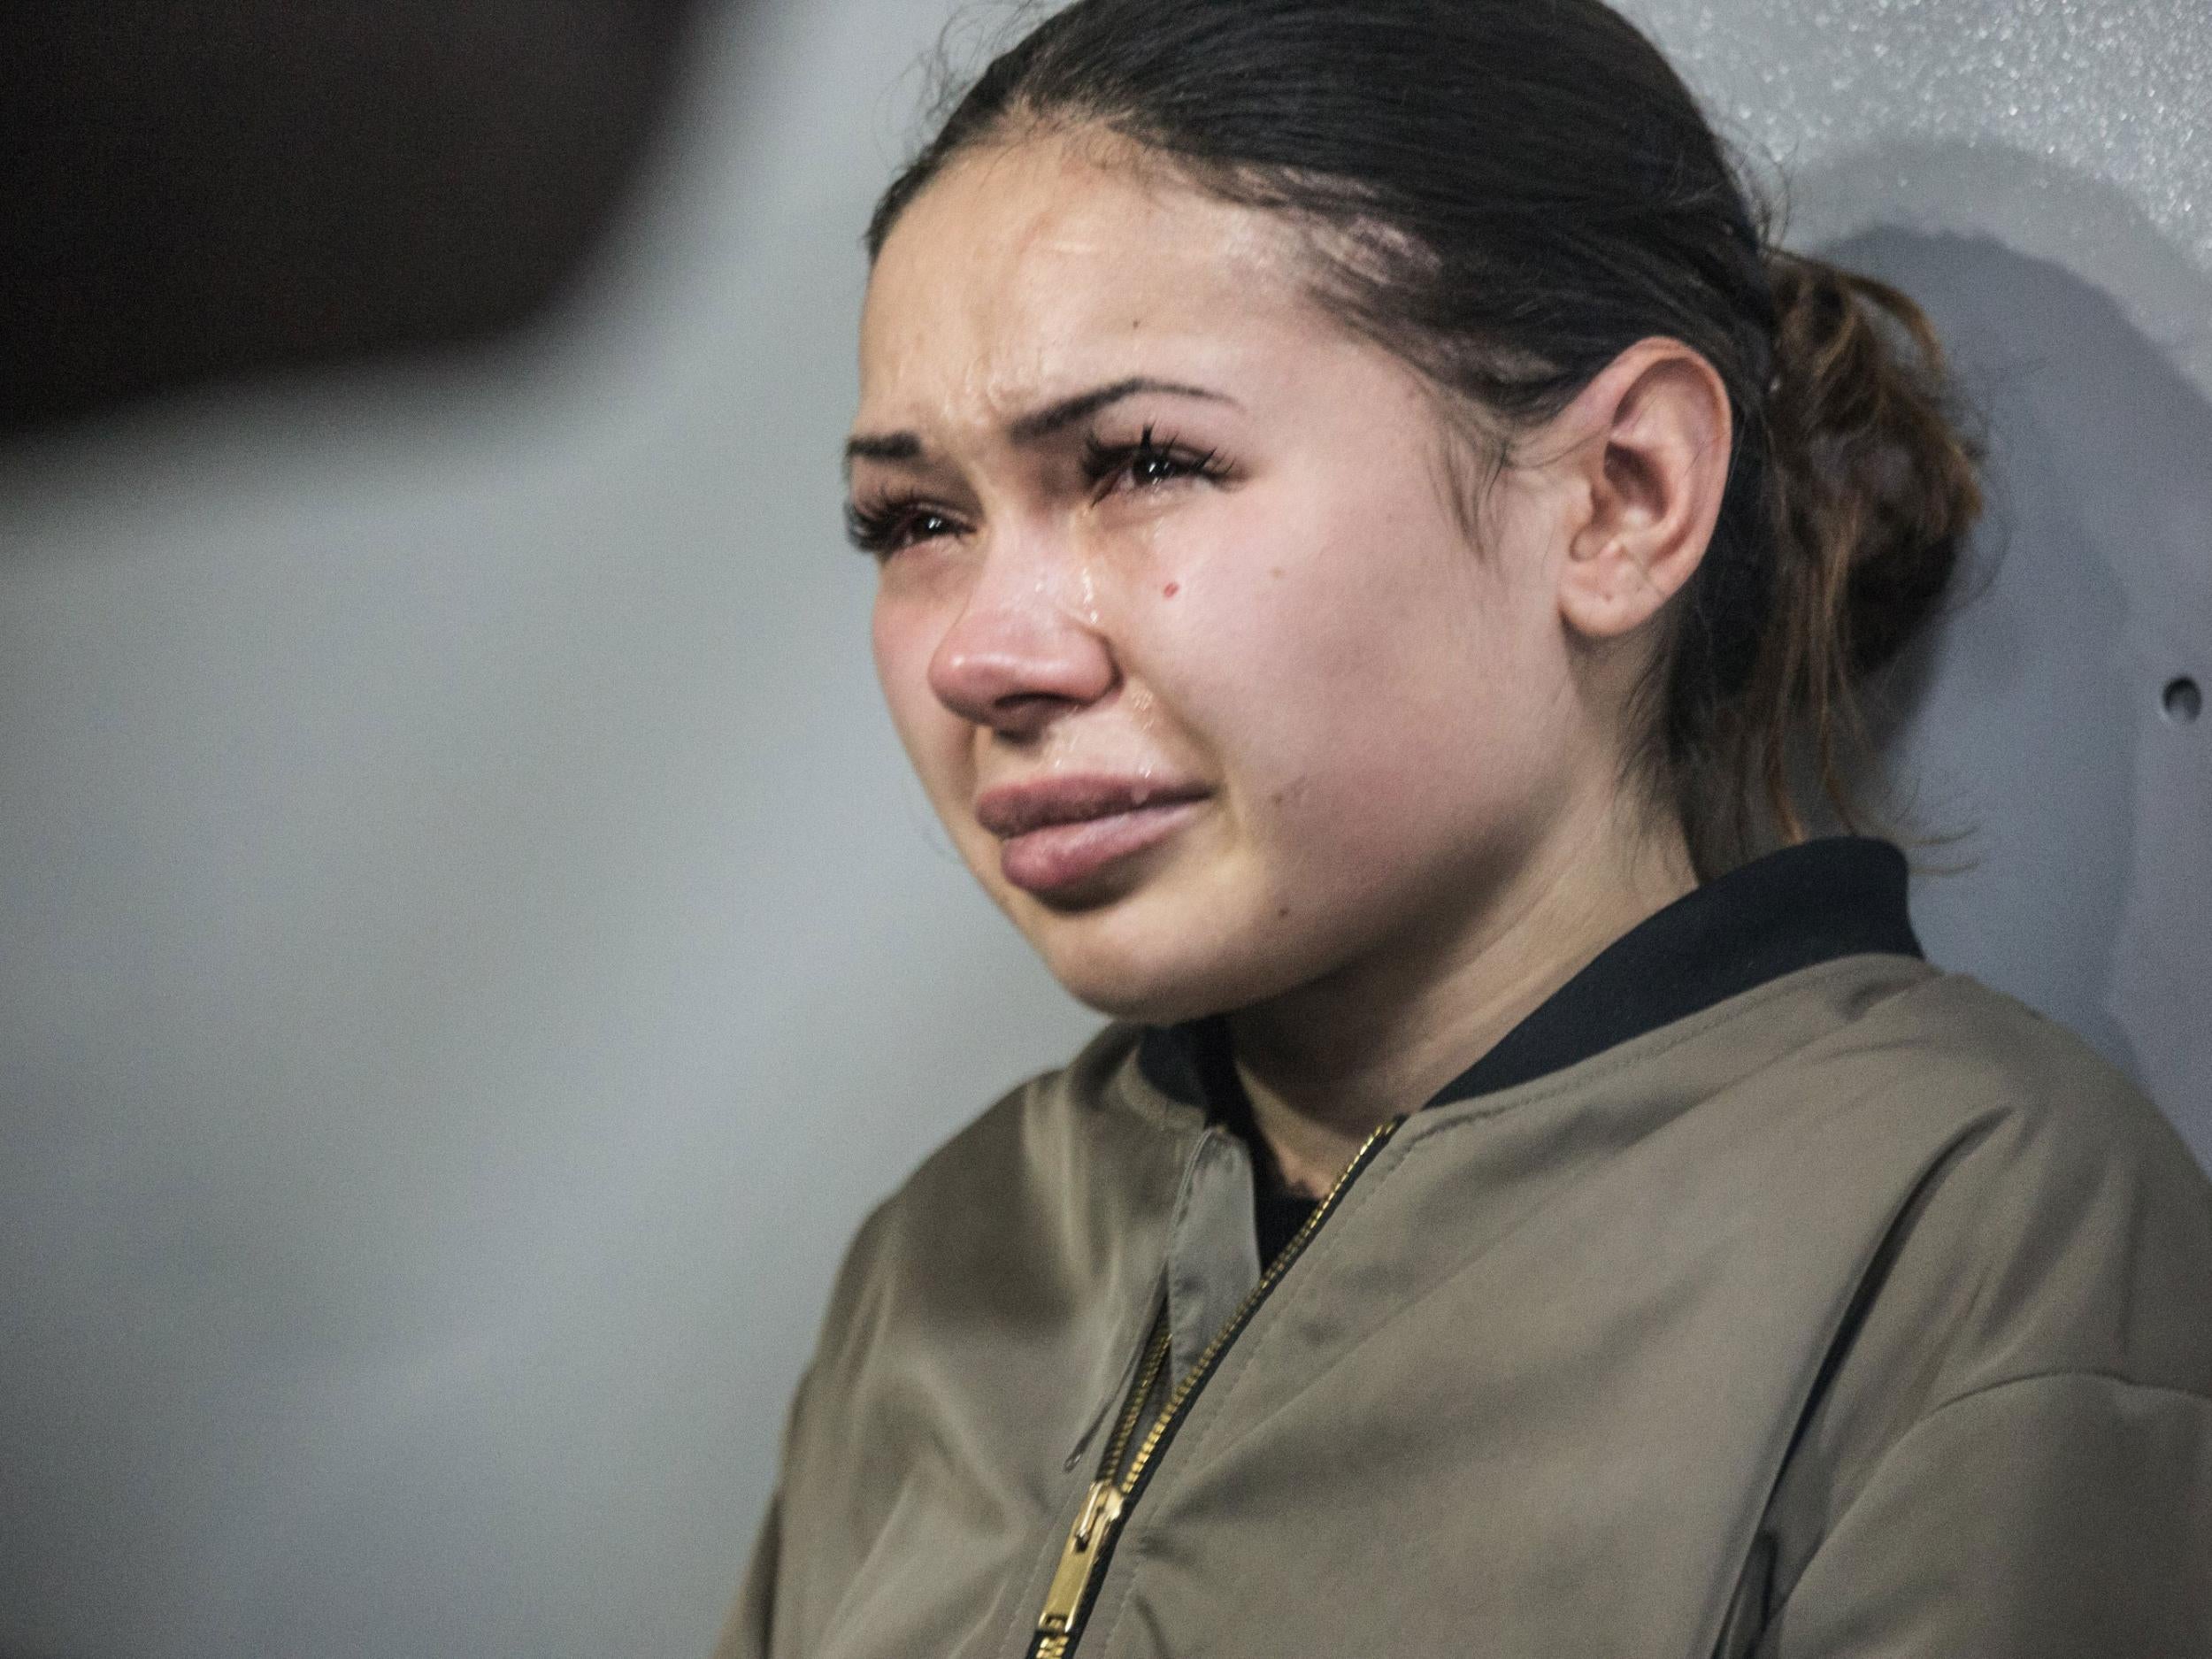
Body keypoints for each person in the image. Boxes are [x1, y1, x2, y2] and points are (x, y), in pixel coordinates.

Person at [717, 1, 2212, 1654]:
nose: (981, 655)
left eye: (1145, 462)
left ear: (1620, 495)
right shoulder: (946, 1258)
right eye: (915, 518)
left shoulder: (1969, 1233)